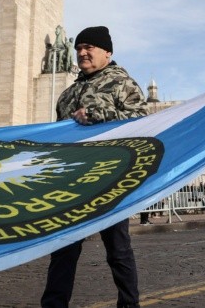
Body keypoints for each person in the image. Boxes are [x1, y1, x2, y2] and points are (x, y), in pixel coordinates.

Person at [41, 26, 147, 308]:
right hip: (72, 182)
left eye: (89, 47)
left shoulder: (123, 83)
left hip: (109, 179)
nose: (82, 52)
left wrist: (98, 114)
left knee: (118, 250)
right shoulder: (66, 94)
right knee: (63, 251)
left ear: (107, 52)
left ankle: (128, 304)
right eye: (78, 48)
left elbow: (141, 119)